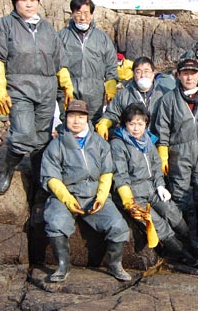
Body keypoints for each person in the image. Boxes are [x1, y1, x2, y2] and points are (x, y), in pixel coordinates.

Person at [0, 0, 74, 195]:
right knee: (23, 134)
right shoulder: (4, 25)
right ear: (15, 2)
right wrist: (0, 89)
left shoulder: (47, 28)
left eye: (33, 0)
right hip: (19, 88)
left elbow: (59, 60)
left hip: (46, 89)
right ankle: (7, 169)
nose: (29, 4)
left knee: (42, 137)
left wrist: (67, 86)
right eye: (23, 0)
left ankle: (38, 177)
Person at [41, 100, 131, 282]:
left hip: (94, 195)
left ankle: (115, 265)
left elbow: (107, 172)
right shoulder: (56, 145)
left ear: (87, 119)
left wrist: (101, 196)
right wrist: (67, 200)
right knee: (56, 222)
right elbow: (51, 178)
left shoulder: (99, 143)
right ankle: (62, 266)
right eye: (72, 116)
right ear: (65, 118)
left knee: (119, 226)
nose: (76, 121)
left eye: (81, 117)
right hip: (67, 195)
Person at [111, 103, 198, 266]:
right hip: (134, 193)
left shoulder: (148, 141)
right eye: (131, 124)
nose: (136, 128)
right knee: (155, 222)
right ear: (125, 124)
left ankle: (192, 242)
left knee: (170, 210)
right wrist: (128, 200)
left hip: (151, 188)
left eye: (140, 123)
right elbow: (120, 174)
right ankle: (182, 253)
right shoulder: (118, 144)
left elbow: (155, 165)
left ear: (146, 124)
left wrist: (160, 185)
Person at [154, 58, 198, 243]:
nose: (189, 77)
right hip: (178, 153)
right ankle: (184, 232)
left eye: (193, 73)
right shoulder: (168, 100)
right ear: (178, 75)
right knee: (180, 193)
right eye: (185, 73)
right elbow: (162, 128)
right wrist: (163, 152)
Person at [58, 0, 118, 124]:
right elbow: (55, 62)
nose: (82, 17)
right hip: (69, 91)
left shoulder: (102, 38)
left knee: (93, 125)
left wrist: (111, 85)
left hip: (94, 92)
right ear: (72, 14)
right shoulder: (61, 36)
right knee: (69, 123)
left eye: (86, 13)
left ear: (91, 15)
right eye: (78, 13)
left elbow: (111, 64)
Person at [96, 56, 172, 139]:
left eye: (147, 71)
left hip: (158, 140)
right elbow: (112, 113)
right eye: (138, 72)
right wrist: (104, 123)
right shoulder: (123, 94)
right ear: (133, 74)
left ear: (153, 73)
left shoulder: (164, 94)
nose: (143, 75)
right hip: (131, 141)